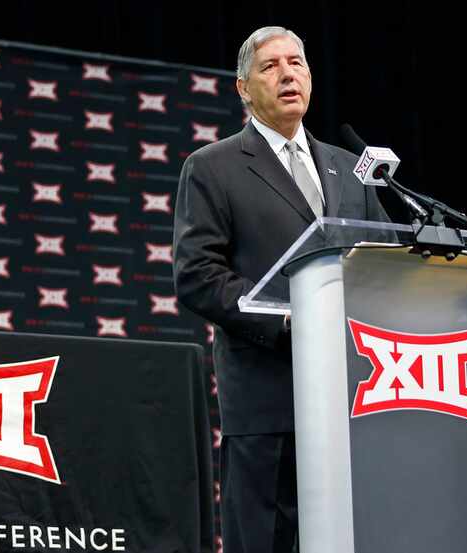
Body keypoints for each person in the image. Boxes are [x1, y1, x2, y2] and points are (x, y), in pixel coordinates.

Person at [172, 26, 391, 553]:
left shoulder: (350, 168)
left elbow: (386, 258)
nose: (288, 73)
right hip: (268, 400)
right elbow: (198, 275)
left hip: (357, 398)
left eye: (297, 63)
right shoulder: (212, 167)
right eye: (270, 65)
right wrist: (291, 321)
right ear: (243, 88)